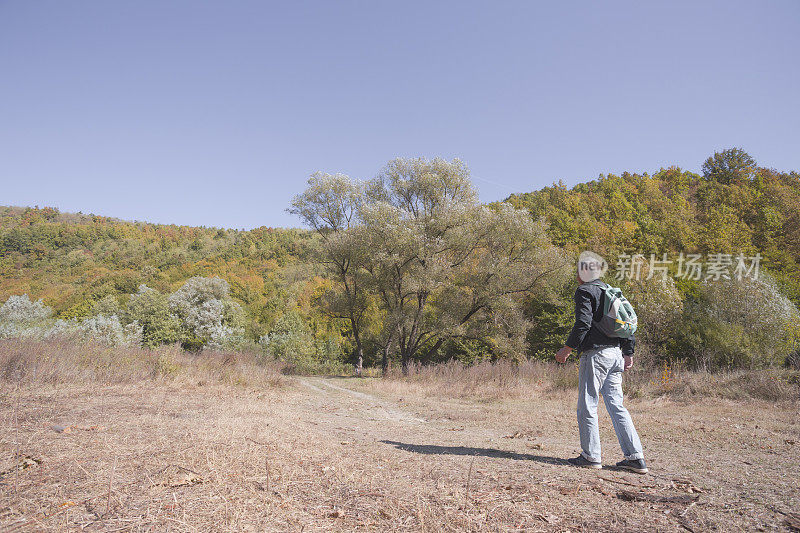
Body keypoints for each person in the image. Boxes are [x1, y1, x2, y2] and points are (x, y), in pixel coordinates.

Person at [554, 254, 647, 474]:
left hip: (596, 355)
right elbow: (626, 322)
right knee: (617, 406)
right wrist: (628, 352)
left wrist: (567, 349)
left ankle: (591, 456)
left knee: (588, 404)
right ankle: (635, 458)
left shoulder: (585, 291)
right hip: (615, 355)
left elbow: (583, 323)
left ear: (582, 274)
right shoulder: (611, 291)